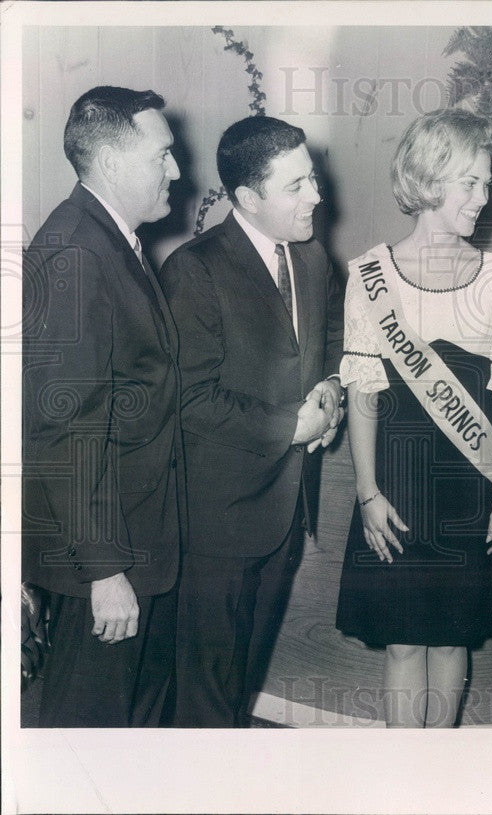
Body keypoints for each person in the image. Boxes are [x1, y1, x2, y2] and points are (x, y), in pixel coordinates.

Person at [335, 109, 492, 728]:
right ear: (428, 179)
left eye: (487, 182)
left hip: (470, 483)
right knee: (402, 641)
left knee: (451, 638)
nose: (484, 196)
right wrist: (367, 493)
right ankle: (402, 775)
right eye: (469, 182)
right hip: (396, 481)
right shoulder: (370, 273)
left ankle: (441, 768)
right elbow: (363, 392)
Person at [159, 116, 344, 727]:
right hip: (216, 523)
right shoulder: (195, 270)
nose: (316, 196)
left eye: (311, 179)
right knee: (206, 694)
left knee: (239, 684)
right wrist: (291, 426)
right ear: (247, 199)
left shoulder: (314, 258)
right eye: (295, 186)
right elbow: (189, 399)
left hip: (285, 511)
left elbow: (333, 342)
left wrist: (333, 389)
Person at [22, 86, 183, 726]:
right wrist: (105, 571)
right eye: (163, 155)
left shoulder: (109, 240)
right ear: (113, 164)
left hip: (137, 538)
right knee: (84, 734)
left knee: (129, 731)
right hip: (108, 556)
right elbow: (65, 429)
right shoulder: (74, 252)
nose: (176, 170)